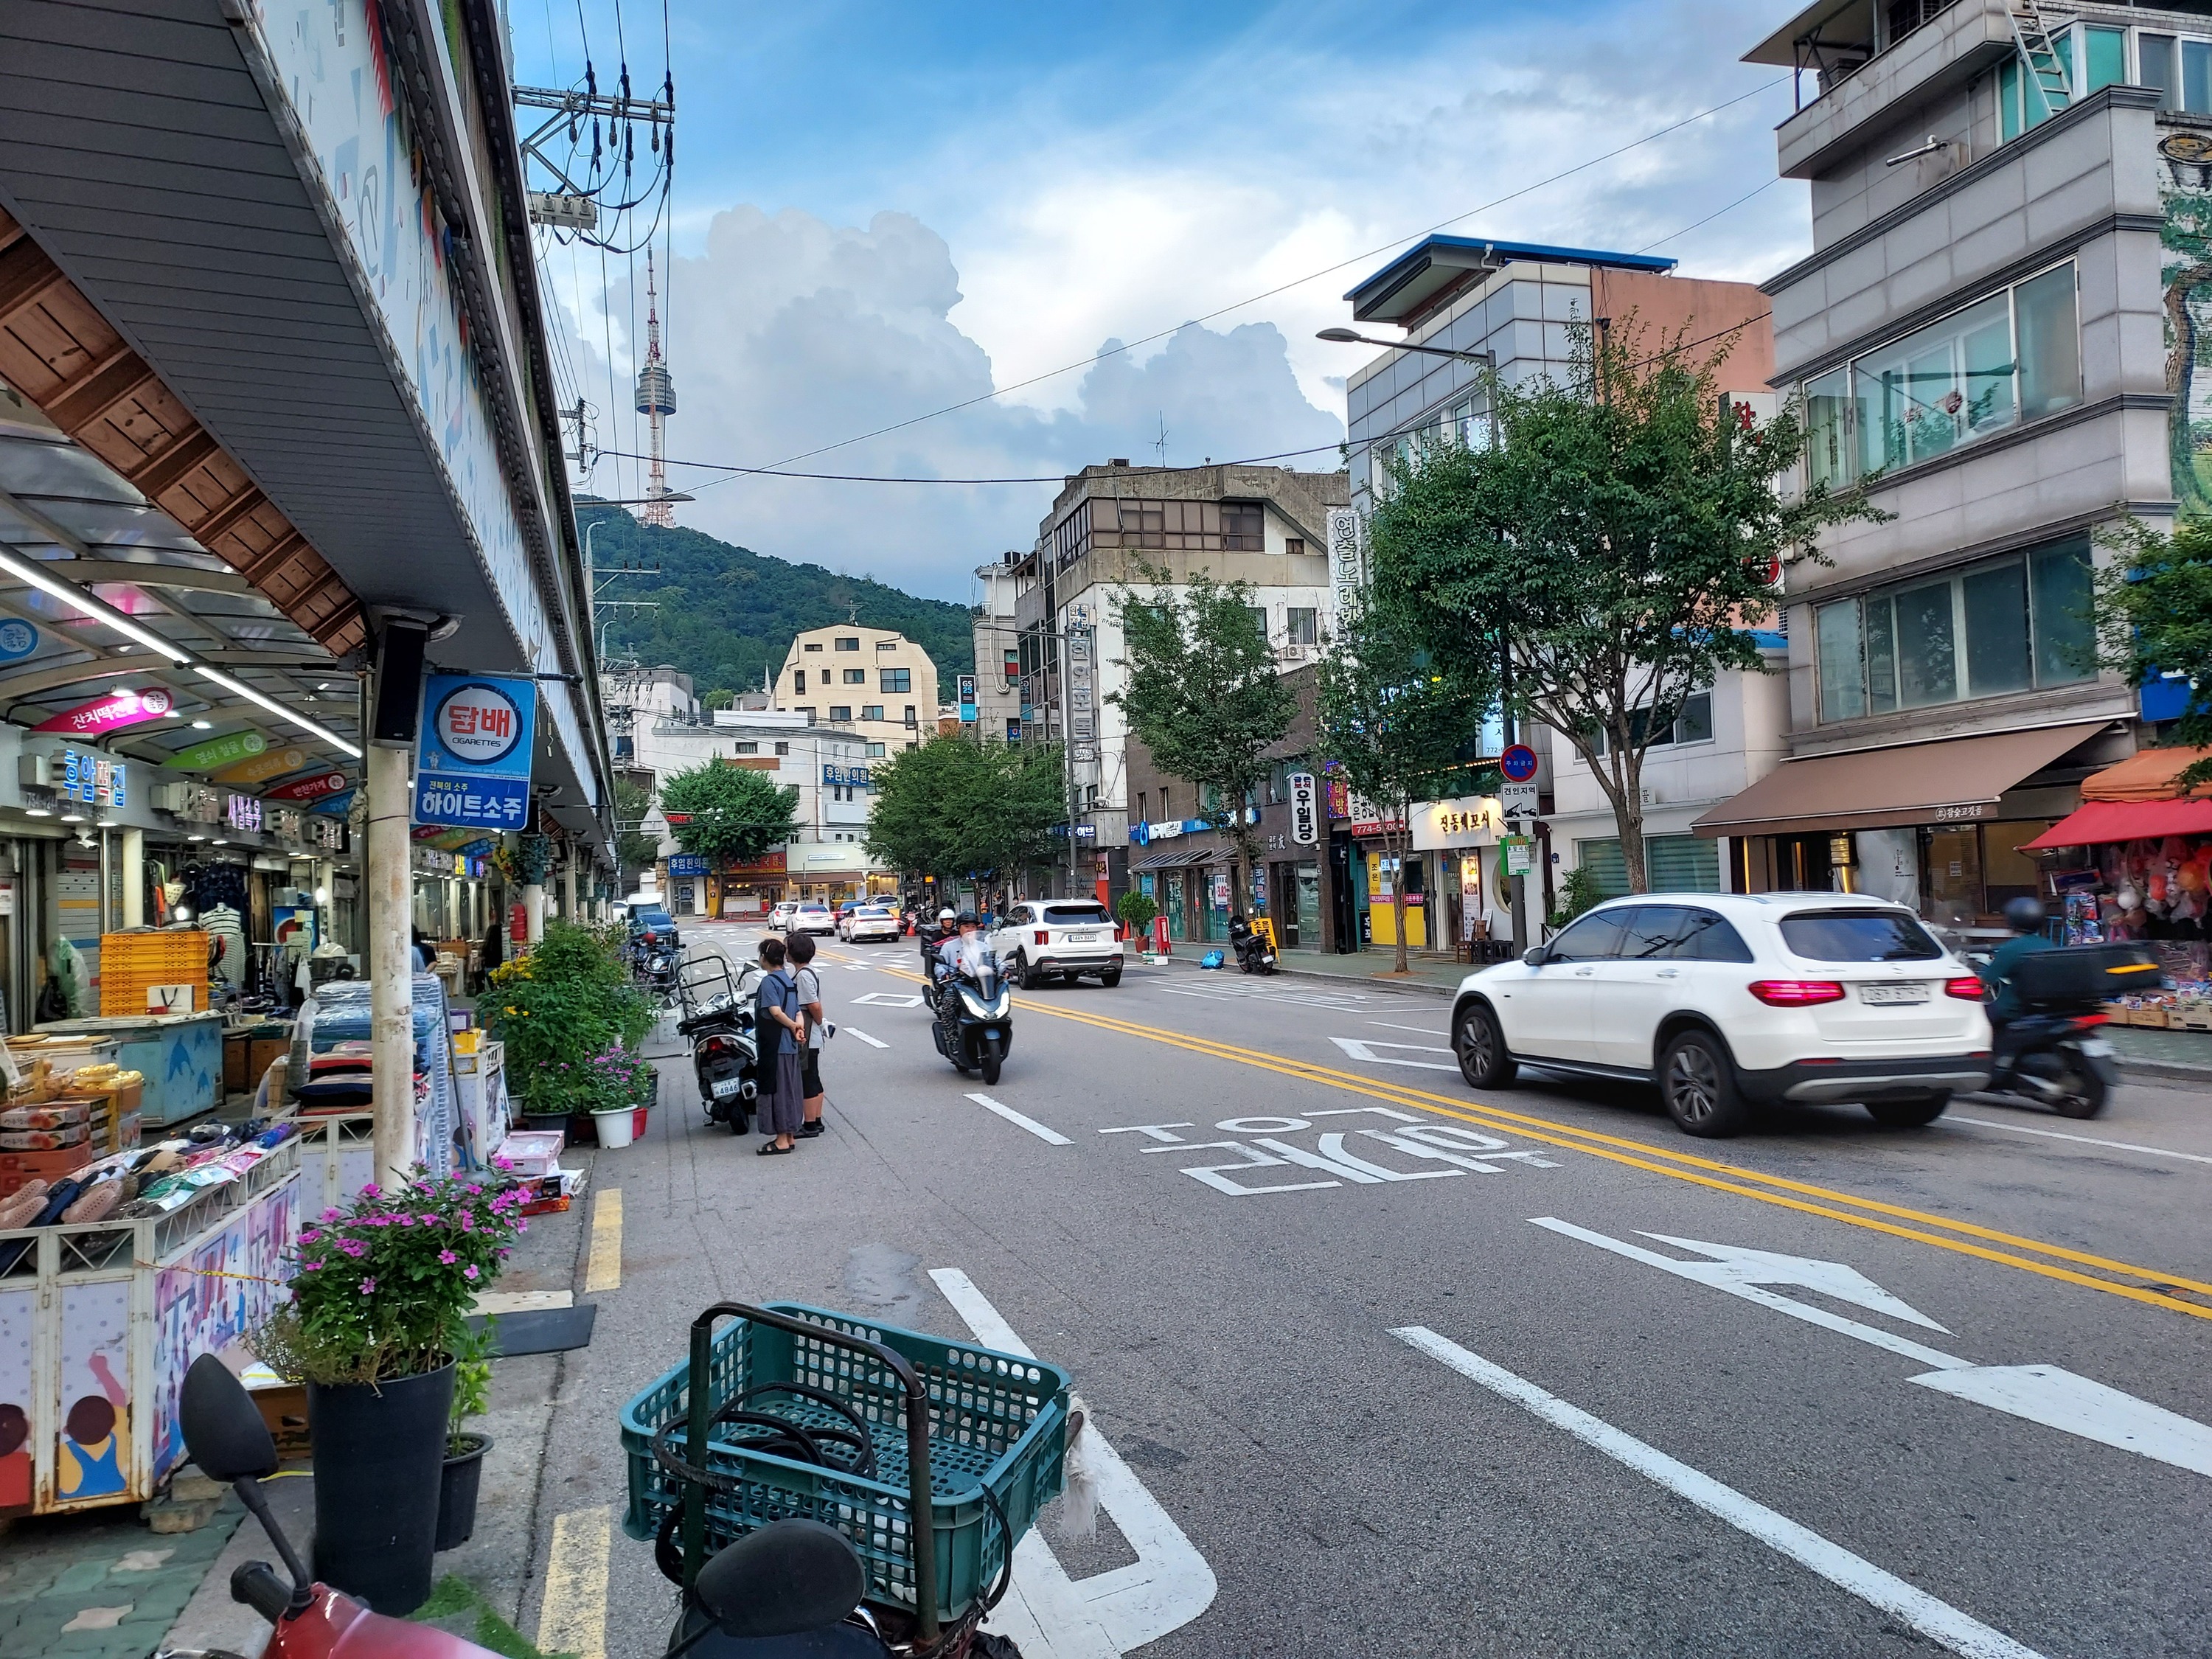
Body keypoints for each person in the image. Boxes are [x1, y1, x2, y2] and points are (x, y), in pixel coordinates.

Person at [1979, 895, 2056, 1062]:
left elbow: (1985, 982)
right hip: (2046, 1007)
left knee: (1980, 1017)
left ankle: (1993, 1062)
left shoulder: (2011, 949)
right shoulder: (2049, 945)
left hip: (2014, 1007)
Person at [752, 937, 805, 1155]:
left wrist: (792, 1027)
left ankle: (782, 1139)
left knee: (778, 1090)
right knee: (791, 1089)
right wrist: (798, 1028)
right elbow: (798, 1011)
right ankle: (791, 1135)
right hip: (790, 1046)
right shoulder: (788, 980)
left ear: (764, 958)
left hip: (775, 1046)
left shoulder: (769, 982)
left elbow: (775, 1011)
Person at [786, 933, 829, 1139]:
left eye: (788, 948)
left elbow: (813, 1005)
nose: (785, 952)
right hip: (811, 1035)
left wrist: (820, 1024)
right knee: (813, 1076)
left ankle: (810, 1124)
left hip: (807, 1036)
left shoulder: (802, 976)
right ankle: (817, 1120)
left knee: (807, 1078)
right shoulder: (807, 971)